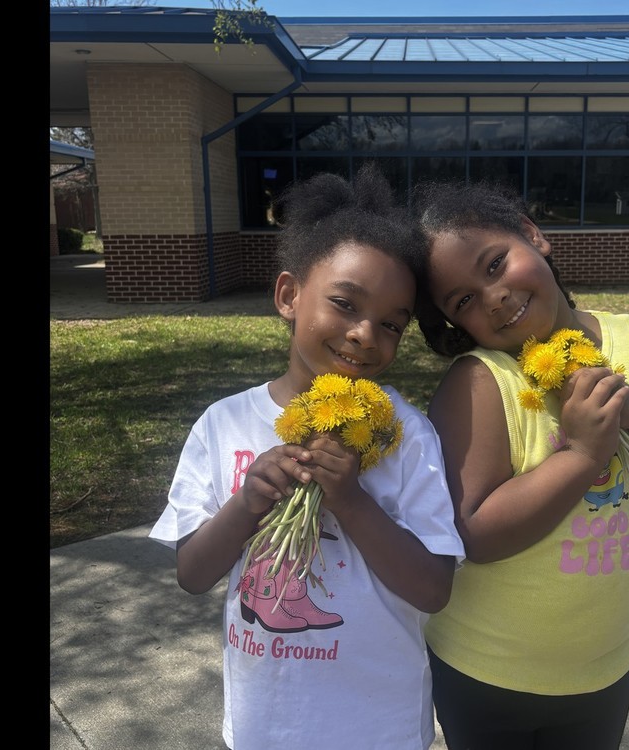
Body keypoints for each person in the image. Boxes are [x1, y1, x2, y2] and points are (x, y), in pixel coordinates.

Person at [149, 165, 465, 750]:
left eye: (392, 325)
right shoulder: (224, 425)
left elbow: (433, 589)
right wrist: (247, 501)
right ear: (289, 296)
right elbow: (192, 575)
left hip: (380, 725)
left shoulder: (406, 434)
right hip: (263, 722)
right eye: (345, 304)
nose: (365, 335)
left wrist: (350, 499)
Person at [410, 179, 629, 750]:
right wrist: (581, 455)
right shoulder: (482, 383)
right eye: (463, 301)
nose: (494, 297)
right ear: (456, 324)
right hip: (487, 671)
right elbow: (473, 532)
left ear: (534, 236)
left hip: (602, 670)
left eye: (496, 263)